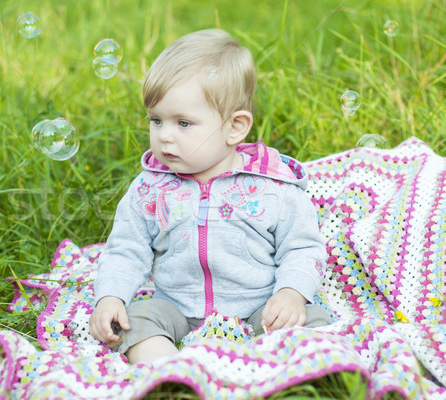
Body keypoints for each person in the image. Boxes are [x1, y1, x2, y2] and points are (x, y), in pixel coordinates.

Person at [89, 28, 331, 364]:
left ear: (235, 127)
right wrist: (111, 296)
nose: (165, 137)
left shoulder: (272, 187)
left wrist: (290, 294)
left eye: (183, 123)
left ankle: (299, 372)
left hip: (258, 307)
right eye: (156, 120)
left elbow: (302, 247)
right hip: (175, 308)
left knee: (312, 319)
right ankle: (171, 373)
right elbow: (126, 248)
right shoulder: (150, 187)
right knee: (134, 320)